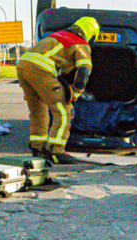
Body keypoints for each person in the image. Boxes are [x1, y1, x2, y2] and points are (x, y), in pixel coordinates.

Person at [17, 16, 99, 165]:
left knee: (38, 110)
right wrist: (75, 94)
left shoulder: (56, 35)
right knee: (64, 110)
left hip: (23, 66)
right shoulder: (80, 43)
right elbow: (84, 72)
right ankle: (56, 151)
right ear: (90, 34)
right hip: (41, 70)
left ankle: (38, 148)